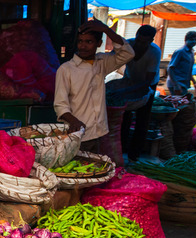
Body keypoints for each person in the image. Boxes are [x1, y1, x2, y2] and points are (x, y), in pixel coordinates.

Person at [53, 19, 135, 155]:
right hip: (78, 134)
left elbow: (128, 53)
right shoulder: (66, 69)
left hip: (100, 131)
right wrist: (75, 122)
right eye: (80, 41)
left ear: (99, 44)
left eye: (89, 42)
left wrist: (106, 30)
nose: (83, 46)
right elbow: (60, 105)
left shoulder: (102, 62)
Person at [106, 25, 161, 163]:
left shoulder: (154, 52)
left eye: (144, 42)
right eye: (138, 40)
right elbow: (111, 60)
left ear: (151, 41)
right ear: (135, 36)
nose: (140, 44)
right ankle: (121, 150)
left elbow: (147, 82)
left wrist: (123, 91)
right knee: (123, 118)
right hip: (129, 80)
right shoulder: (128, 44)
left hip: (147, 85)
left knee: (142, 120)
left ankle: (134, 155)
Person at [161, 31, 196, 157]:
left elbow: (188, 71)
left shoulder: (191, 53)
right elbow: (171, 68)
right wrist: (176, 84)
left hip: (184, 84)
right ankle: (173, 136)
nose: (194, 41)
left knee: (183, 110)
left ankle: (180, 139)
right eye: (192, 39)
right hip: (176, 85)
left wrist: (194, 82)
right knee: (176, 110)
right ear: (186, 39)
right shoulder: (180, 52)